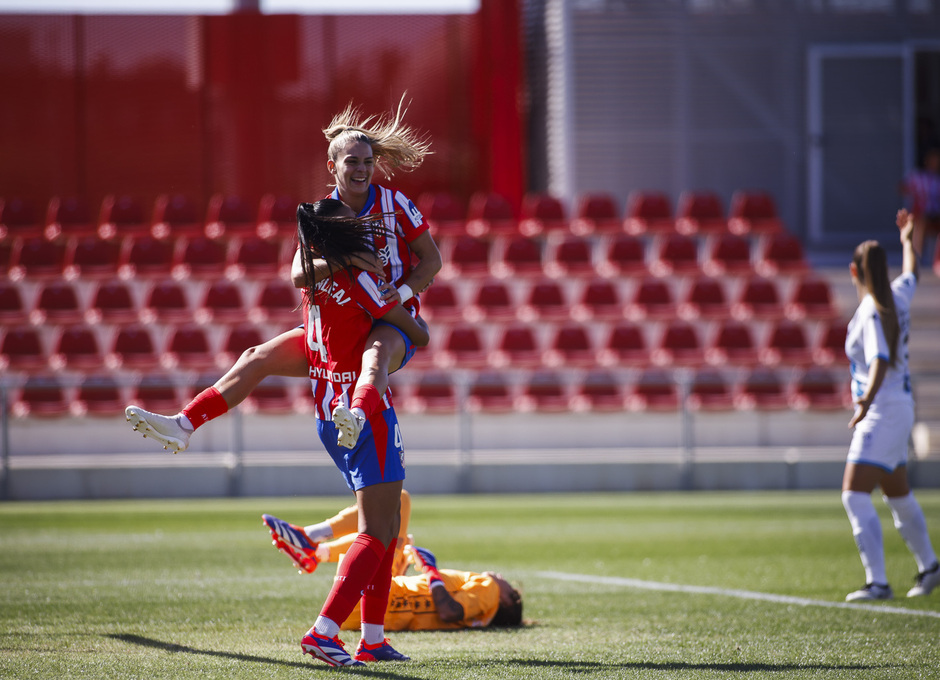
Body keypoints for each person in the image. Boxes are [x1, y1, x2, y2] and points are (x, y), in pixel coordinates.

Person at [124, 96, 441, 454]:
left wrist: (400, 294)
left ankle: (356, 414)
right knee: (255, 357)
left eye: (368, 162)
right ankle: (184, 424)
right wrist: (348, 260)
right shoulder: (320, 214)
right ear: (332, 165)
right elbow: (299, 274)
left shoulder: (395, 204)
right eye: (352, 161)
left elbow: (431, 261)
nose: (362, 170)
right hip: (339, 321)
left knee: (376, 355)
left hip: (388, 316)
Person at [841, 207, 940, 603]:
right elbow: (913, 271)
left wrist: (865, 400)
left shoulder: (869, 310)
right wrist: (908, 242)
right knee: (896, 493)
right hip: (901, 406)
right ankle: (931, 566)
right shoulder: (897, 293)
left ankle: (878, 582)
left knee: (853, 494)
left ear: (854, 272)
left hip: (881, 410)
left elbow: (879, 356)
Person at [262, 498, 524, 632]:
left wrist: (430, 569)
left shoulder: (488, 590)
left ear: (508, 600)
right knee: (391, 534)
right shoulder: (480, 613)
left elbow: (449, 611)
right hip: (357, 615)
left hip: (374, 601)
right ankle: (315, 552)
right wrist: (400, 572)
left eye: (508, 583)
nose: (500, 576)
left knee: (398, 500)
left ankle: (311, 539)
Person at [899, 145, 940, 262]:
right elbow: (902, 187)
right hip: (921, 214)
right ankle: (917, 256)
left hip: (936, 214)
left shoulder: (938, 178)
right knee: (920, 221)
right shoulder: (918, 177)